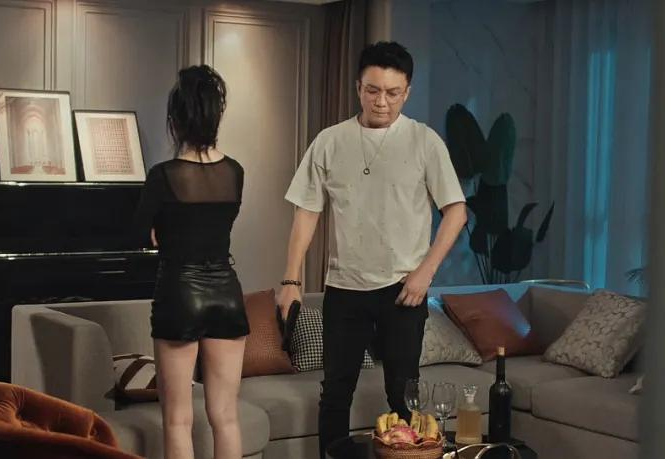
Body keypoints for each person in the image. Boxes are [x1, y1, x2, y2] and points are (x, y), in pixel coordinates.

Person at [276, 41, 469, 457]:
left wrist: (425, 273)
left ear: (407, 92)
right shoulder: (330, 141)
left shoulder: (424, 141)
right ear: (358, 88)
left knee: (403, 393)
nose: (382, 102)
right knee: (335, 392)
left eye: (393, 93)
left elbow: (456, 211)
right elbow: (306, 213)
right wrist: (290, 279)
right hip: (344, 288)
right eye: (373, 90)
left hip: (404, 289)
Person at [133, 65, 248, 459]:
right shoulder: (235, 172)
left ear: (174, 120)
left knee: (178, 420)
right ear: (216, 116)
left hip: (179, 292)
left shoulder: (162, 175)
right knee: (226, 417)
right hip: (227, 292)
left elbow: (141, 232)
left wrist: (162, 228)